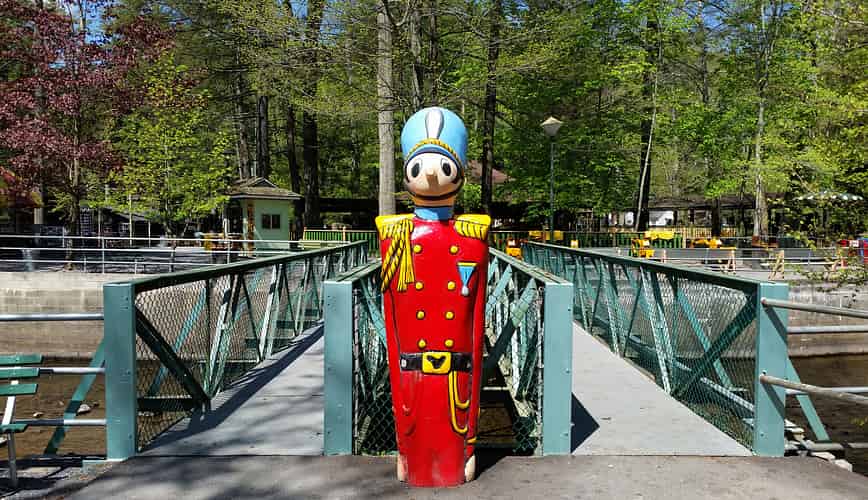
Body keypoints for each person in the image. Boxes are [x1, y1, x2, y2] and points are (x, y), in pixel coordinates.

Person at [376, 107, 490, 487]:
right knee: (418, 442)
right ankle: (406, 451)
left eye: (442, 166)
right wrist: (401, 446)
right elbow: (393, 328)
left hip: (455, 372)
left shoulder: (473, 235)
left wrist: (470, 441)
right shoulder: (396, 237)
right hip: (413, 371)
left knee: (450, 452)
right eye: (418, 166)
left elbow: (475, 327)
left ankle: (462, 450)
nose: (428, 175)